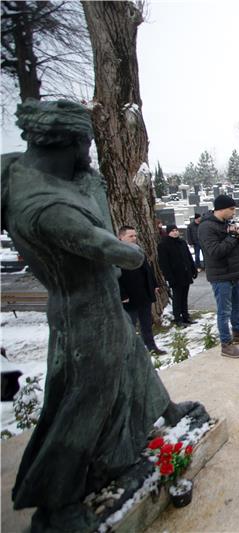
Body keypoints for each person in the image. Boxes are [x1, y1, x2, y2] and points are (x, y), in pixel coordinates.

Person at [2, 99, 205, 531]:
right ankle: (57, 500)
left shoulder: (28, 173)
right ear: (70, 141)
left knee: (133, 358)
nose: (90, 155)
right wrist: (132, 248)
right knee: (84, 403)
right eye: (87, 144)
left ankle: (165, 411)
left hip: (99, 304)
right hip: (82, 313)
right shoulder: (46, 205)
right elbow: (115, 251)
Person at [198, 194, 239, 359]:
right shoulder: (206, 227)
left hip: (234, 274)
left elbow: (238, 246)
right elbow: (215, 252)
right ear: (221, 209)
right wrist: (231, 237)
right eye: (231, 209)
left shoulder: (225, 224)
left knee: (236, 306)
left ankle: (238, 333)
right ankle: (226, 344)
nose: (234, 212)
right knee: (224, 311)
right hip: (221, 276)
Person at [118, 226, 167, 355]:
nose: (134, 238)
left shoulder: (138, 250)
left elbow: (147, 270)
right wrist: (122, 295)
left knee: (146, 324)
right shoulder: (117, 253)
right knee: (130, 326)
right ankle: (130, 352)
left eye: (135, 236)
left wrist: (154, 285)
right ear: (121, 237)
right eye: (130, 236)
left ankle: (151, 347)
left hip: (143, 294)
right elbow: (115, 276)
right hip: (129, 297)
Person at [157, 224, 197, 327]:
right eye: (172, 231)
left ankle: (185, 316)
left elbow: (188, 257)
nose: (175, 232)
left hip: (185, 274)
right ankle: (177, 318)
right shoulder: (164, 244)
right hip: (175, 276)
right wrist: (169, 277)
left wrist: (193, 269)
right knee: (177, 297)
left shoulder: (182, 242)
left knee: (184, 296)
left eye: (176, 230)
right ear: (168, 232)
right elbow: (164, 263)